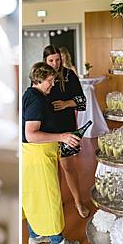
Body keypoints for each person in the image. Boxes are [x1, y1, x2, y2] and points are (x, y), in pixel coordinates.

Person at [24, 62, 82, 244]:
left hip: (30, 156)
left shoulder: (30, 94)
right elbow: (31, 134)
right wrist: (62, 136)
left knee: (34, 197)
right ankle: (57, 242)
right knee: (49, 198)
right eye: (50, 80)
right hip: (39, 156)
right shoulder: (37, 101)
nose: (53, 84)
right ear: (38, 79)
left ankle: (35, 235)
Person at [43, 45, 89, 218]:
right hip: (47, 129)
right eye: (51, 60)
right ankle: (57, 200)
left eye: (57, 59)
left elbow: (82, 101)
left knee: (68, 167)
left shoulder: (69, 75)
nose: (55, 63)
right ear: (45, 60)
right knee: (52, 169)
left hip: (66, 126)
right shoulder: (41, 76)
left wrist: (67, 103)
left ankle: (78, 201)